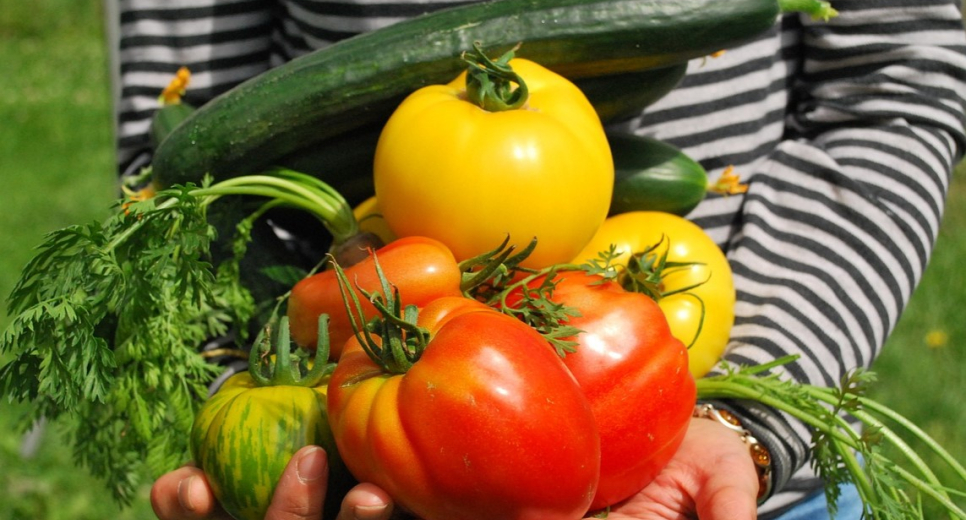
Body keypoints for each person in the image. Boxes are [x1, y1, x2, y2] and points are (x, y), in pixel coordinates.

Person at [112, 0, 966, 519]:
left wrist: (749, 421)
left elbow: (892, 94)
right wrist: (240, 398)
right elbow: (182, 157)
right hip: (360, 462)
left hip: (740, 485)